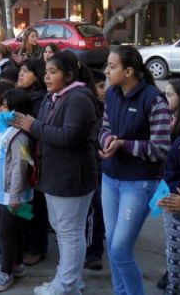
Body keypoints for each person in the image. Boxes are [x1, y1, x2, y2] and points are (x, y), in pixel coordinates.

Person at [10, 50, 99, 295]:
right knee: (66, 230)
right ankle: (69, 280)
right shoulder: (55, 97)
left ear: (69, 75)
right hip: (55, 174)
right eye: (46, 72)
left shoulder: (78, 98)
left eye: (53, 72)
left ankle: (66, 285)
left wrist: (33, 125)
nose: (47, 77)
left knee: (69, 232)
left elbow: (69, 136)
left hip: (71, 176)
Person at [99, 45, 170, 295]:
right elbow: (104, 127)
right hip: (110, 178)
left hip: (139, 182)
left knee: (119, 249)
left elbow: (161, 147)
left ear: (129, 71)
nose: (106, 71)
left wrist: (123, 145)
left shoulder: (153, 98)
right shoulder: (112, 94)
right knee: (113, 243)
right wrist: (106, 141)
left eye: (112, 66)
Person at [0, 89, 34, 292]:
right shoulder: (4, 131)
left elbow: (19, 167)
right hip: (3, 193)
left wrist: (14, 196)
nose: (0, 110)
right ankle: (16, 264)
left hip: (14, 196)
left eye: (5, 107)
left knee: (7, 233)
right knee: (13, 231)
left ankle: (6, 272)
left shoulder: (20, 137)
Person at [16, 59, 50, 267]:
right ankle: (26, 243)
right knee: (22, 201)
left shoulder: (40, 100)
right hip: (19, 155)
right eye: (20, 70)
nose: (21, 74)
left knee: (36, 203)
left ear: (37, 75)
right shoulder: (22, 96)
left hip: (34, 158)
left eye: (26, 71)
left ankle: (37, 247)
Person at [158, 79, 180, 294]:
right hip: (172, 200)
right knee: (173, 251)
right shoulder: (171, 123)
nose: (165, 99)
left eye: (169, 95)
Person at [84, 69, 107, 271]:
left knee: (98, 209)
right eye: (101, 86)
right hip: (92, 166)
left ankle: (94, 251)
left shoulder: (110, 107)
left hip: (105, 166)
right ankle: (92, 252)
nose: (105, 90)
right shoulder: (89, 108)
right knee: (94, 209)